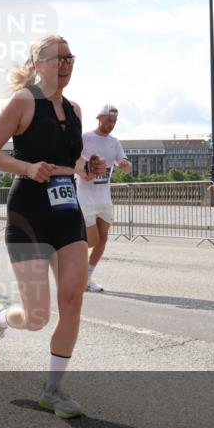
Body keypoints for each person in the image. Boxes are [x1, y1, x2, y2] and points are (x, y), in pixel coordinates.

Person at [0, 34, 105, 418]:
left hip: (67, 213)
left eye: (70, 57)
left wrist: (88, 168)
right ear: (38, 63)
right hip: (28, 214)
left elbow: (72, 162)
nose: (65, 64)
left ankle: (53, 389)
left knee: (73, 299)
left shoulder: (75, 109)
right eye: (58, 58)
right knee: (36, 316)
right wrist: (29, 167)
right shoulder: (23, 101)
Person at [76, 104, 132, 292]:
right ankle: (76, 271)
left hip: (104, 199)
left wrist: (125, 165)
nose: (111, 125)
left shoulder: (114, 142)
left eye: (114, 122)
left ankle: (87, 277)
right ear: (99, 118)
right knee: (91, 240)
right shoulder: (85, 138)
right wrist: (84, 170)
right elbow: (72, 159)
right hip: (85, 198)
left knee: (103, 239)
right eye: (109, 121)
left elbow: (125, 164)